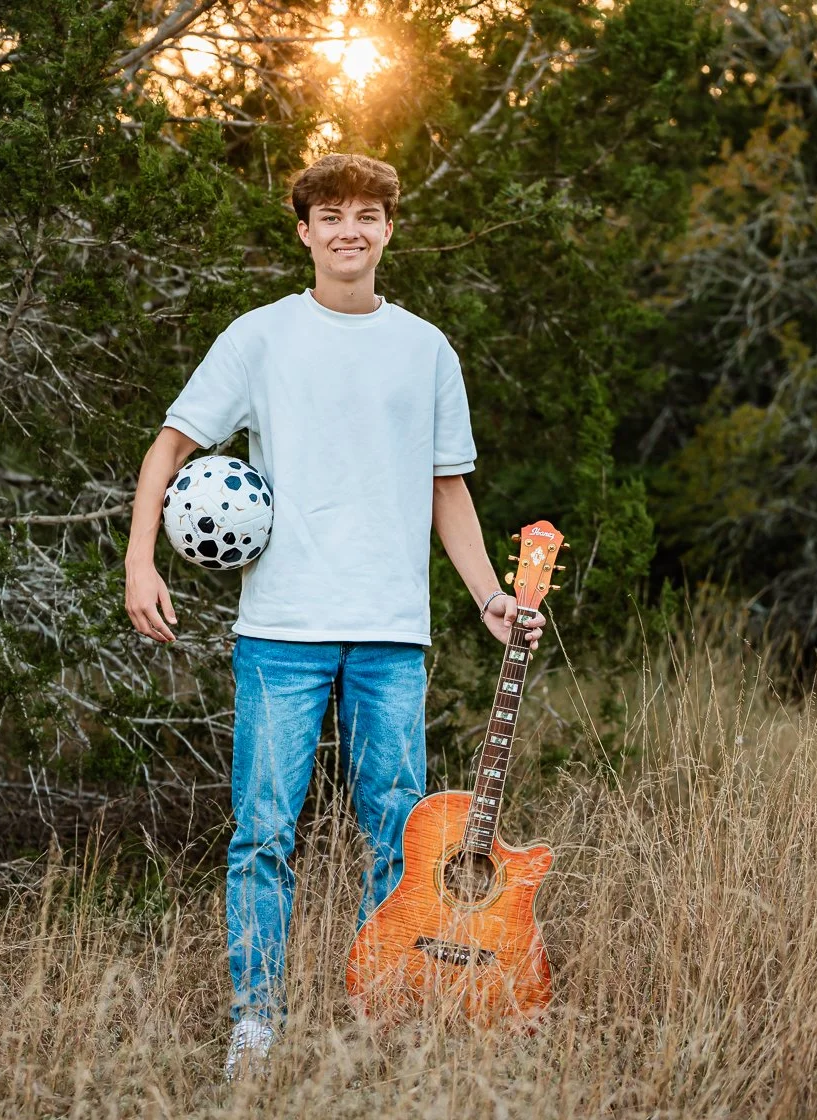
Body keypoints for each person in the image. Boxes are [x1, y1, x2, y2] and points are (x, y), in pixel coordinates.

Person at [122, 152, 545, 1081]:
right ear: (304, 230)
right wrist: (140, 558)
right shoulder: (259, 338)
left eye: (367, 215)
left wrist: (488, 598)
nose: (349, 230)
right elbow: (170, 445)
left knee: (397, 833)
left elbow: (450, 490)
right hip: (281, 629)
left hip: (393, 631)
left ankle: (375, 1009)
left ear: (390, 229)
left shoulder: (427, 349)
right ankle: (256, 1023)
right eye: (330, 215)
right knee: (263, 831)